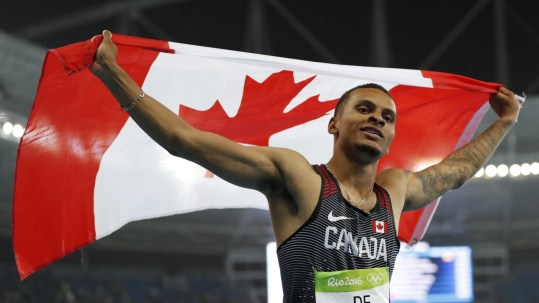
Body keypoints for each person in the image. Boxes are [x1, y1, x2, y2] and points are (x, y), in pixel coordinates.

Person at [90, 30, 521, 302]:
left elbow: (457, 172)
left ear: (391, 138)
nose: (377, 119)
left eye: (387, 117)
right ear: (334, 123)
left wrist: (504, 122)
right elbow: (185, 140)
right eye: (365, 109)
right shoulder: (300, 178)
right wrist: (112, 71)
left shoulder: (395, 190)